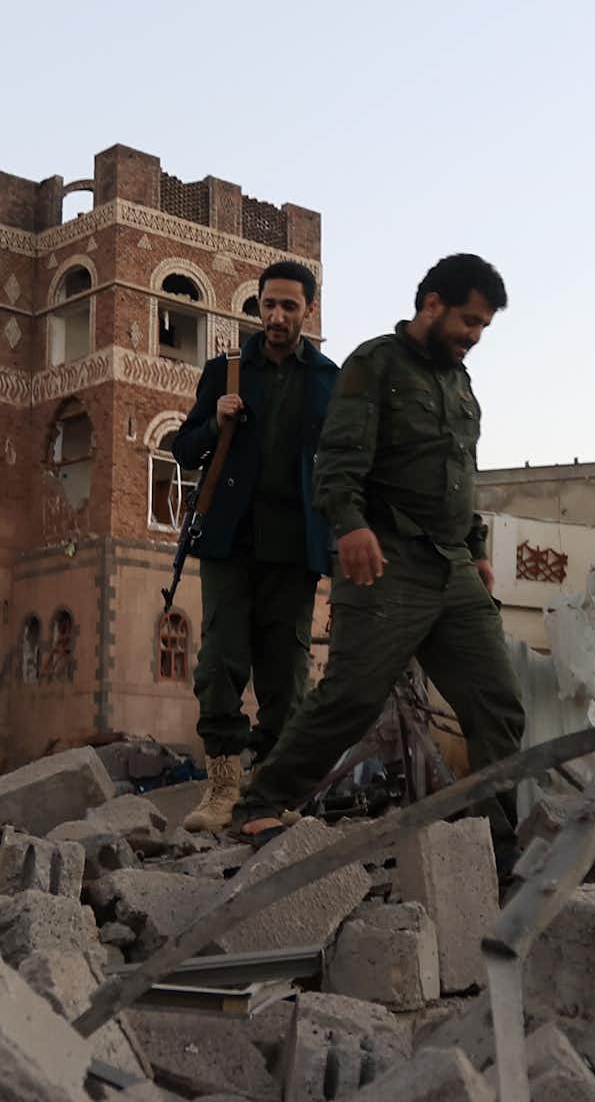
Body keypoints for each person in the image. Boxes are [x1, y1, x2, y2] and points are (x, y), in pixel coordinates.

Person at [233, 253, 526, 852]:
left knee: (497, 702)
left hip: (453, 568)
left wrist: (476, 549)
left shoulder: (459, 382)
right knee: (352, 695)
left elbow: (460, 474)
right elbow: (336, 458)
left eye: (484, 328)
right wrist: (349, 526)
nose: (474, 337)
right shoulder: (376, 364)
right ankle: (262, 801)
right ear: (433, 304)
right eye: (469, 321)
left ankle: (497, 843)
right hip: (386, 558)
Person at [170, 260, 340, 832]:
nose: (276, 316)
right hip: (230, 540)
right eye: (269, 304)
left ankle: (272, 791)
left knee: (287, 670)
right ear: (258, 306)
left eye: (289, 306)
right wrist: (215, 422)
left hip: (296, 546)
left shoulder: (329, 380)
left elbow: (343, 464)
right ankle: (221, 788)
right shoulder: (227, 372)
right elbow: (183, 449)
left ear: (308, 311)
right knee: (220, 661)